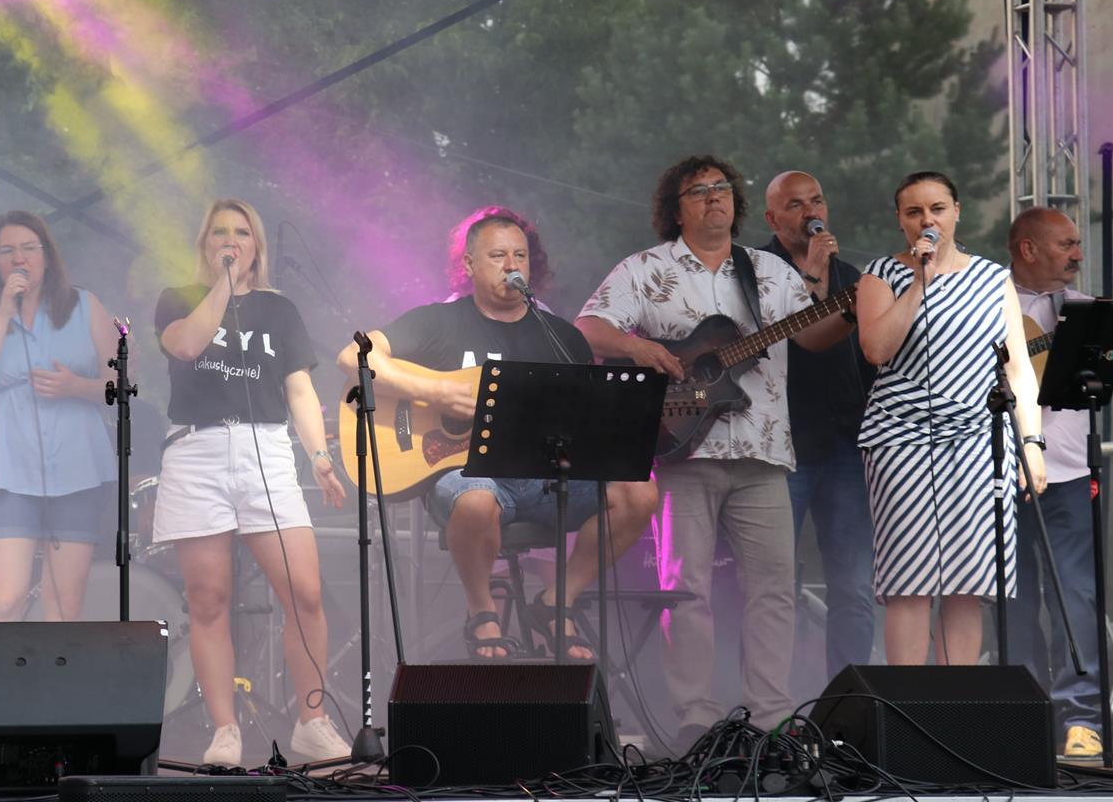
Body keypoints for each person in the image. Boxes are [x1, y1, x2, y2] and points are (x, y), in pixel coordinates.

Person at [577, 155, 848, 741]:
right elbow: (588, 328)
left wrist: (852, 310)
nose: (713, 197)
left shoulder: (769, 271)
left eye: (721, 187)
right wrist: (639, 348)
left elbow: (812, 334)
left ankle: (772, 719)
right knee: (686, 592)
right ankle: (695, 721)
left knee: (774, 591)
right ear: (676, 210)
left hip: (763, 452)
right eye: (698, 191)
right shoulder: (645, 269)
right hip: (680, 450)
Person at [338, 206, 658, 662]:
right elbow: (354, 357)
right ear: (469, 265)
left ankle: (558, 601)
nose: (511, 265)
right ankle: (481, 610)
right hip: (466, 476)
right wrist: (439, 392)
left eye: (520, 256)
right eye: (497, 255)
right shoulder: (437, 322)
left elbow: (585, 425)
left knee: (639, 491)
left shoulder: (562, 337)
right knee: (476, 498)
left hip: (544, 482)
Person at [153, 198, 348, 768]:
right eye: (219, 233)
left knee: (305, 592)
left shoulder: (279, 310)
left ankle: (312, 723)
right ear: (204, 243)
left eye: (241, 233)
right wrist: (223, 284)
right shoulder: (178, 299)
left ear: (256, 246)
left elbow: (298, 389)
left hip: (266, 448)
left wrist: (319, 455)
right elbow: (187, 345)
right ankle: (225, 731)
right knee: (209, 599)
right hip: (198, 451)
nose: (230, 240)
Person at [854, 171, 1043, 667]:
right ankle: (908, 704)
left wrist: (1032, 444)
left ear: (957, 211)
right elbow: (876, 349)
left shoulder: (992, 279)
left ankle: (958, 702)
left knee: (969, 583)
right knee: (909, 581)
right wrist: (920, 282)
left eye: (937, 208)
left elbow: (1018, 368)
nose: (927, 220)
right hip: (900, 438)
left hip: (979, 441)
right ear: (900, 220)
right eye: (914, 211)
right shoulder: (881, 275)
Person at [1005, 206, 1113, 758]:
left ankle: (1081, 717)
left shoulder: (1086, 310)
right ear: (1028, 249)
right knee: (1012, 600)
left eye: (1077, 243)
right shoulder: (984, 302)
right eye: (1066, 244)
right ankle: (1024, 714)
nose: (1078, 253)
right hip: (998, 470)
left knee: (1076, 595)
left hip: (1069, 471)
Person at [0, 210, 118, 622]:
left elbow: (123, 385)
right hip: (10, 473)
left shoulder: (85, 305)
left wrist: (76, 387)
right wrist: (3, 313)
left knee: (64, 604)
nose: (19, 258)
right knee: (4, 597)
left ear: (47, 255)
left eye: (29, 248)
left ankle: (54, 669)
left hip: (78, 470)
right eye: (6, 251)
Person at [760, 171, 878, 679]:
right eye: (796, 205)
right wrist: (808, 273)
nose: (811, 212)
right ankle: (770, 702)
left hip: (845, 447)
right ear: (772, 219)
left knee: (853, 586)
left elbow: (871, 360)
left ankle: (847, 700)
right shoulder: (756, 271)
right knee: (772, 586)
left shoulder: (852, 277)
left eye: (817, 200)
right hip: (782, 449)